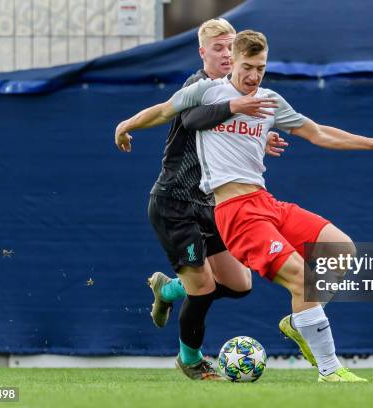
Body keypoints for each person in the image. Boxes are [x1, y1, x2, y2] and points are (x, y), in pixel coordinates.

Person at [115, 30, 373, 382]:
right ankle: (331, 371)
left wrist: (371, 144)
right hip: (234, 212)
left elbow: (316, 132)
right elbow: (165, 111)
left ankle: (298, 321)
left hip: (265, 202)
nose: (254, 76)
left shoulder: (270, 100)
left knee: (342, 251)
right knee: (304, 278)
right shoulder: (208, 92)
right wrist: (126, 124)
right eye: (247, 67)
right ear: (234, 63)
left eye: (261, 68)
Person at [142, 19, 289, 381]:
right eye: (219, 48)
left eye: (230, 47)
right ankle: (190, 360)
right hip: (176, 202)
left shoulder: (232, 93)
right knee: (204, 288)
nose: (226, 54)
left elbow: (228, 133)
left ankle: (169, 288)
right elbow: (193, 120)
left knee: (240, 285)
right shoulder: (199, 87)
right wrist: (238, 109)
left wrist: (260, 139)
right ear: (203, 52)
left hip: (211, 205)